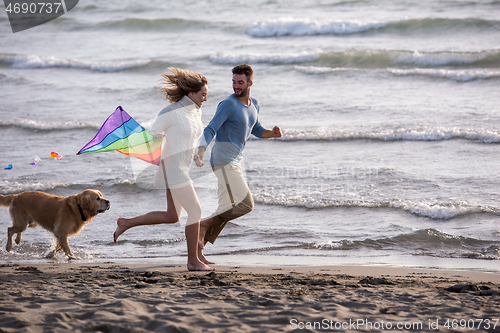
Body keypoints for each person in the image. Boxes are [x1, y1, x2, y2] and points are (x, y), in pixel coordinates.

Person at [114, 68, 213, 271]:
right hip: (173, 167)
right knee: (195, 210)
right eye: (203, 94)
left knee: (172, 216)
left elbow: (189, 136)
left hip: (182, 166)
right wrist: (156, 136)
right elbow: (151, 132)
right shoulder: (171, 111)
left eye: (206, 95)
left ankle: (126, 223)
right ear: (191, 93)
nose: (205, 98)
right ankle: (193, 261)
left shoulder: (196, 110)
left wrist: (196, 155)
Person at [195, 64, 282, 261]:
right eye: (234, 82)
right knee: (245, 205)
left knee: (225, 208)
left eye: (240, 82)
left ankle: (198, 254)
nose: (236, 86)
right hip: (223, 160)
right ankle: (203, 225)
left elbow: (257, 129)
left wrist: (272, 134)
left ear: (250, 82)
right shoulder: (227, 104)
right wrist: (200, 150)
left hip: (235, 160)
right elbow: (210, 129)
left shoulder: (254, 105)